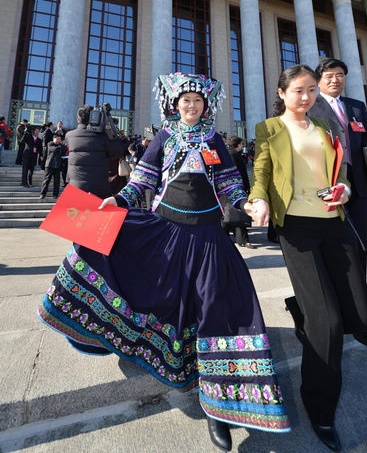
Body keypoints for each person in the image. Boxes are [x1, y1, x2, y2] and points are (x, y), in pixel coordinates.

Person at [38, 73, 290, 452]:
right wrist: (117, 202)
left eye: (198, 102)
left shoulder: (214, 140)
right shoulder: (162, 137)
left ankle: (219, 410)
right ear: (176, 105)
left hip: (208, 238)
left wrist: (246, 203)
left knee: (219, 313)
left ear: (206, 107)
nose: (192, 107)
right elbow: (142, 180)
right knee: (145, 282)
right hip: (166, 231)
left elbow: (228, 182)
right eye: (185, 101)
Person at [247, 64, 367, 452]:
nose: (306, 98)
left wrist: (344, 191)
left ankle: (301, 309)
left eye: (311, 91)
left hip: (334, 223)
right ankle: (320, 408)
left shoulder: (324, 129)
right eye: (299, 91)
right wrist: (259, 198)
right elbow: (262, 170)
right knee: (328, 323)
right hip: (297, 229)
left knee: (362, 316)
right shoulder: (269, 128)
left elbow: (343, 174)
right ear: (283, 93)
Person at [309, 57, 367, 346]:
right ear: (319, 80)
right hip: (325, 191)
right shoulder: (310, 106)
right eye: (329, 75)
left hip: (359, 191)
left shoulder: (356, 107)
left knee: (359, 251)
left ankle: (360, 317)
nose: (335, 79)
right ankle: (331, 312)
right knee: (330, 255)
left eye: (340, 75)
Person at [65, 105, 125, 199]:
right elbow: (118, 152)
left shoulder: (69, 136)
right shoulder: (103, 137)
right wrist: (111, 131)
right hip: (99, 190)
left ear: (78, 120)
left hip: (76, 188)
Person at [221, 135, 251, 247]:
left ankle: (238, 238)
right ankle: (241, 239)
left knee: (229, 213)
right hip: (234, 187)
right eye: (241, 144)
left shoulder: (229, 153)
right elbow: (238, 172)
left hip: (228, 187)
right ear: (238, 145)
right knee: (236, 212)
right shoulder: (232, 154)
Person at [39, 134, 67, 199]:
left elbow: (64, 150)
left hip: (58, 166)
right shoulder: (50, 144)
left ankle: (55, 195)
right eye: (58, 139)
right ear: (54, 139)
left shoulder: (61, 146)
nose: (59, 140)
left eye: (60, 139)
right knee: (46, 180)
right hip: (50, 165)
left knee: (57, 182)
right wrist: (61, 146)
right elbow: (54, 149)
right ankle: (42, 194)